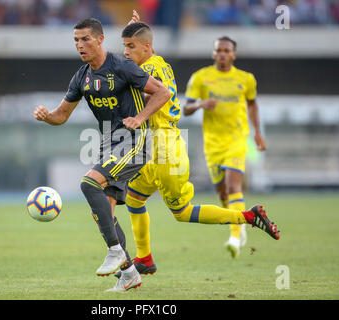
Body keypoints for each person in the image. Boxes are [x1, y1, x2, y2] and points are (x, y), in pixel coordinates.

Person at [115, 12, 279, 278]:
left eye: (131, 46)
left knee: (182, 212)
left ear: (147, 47)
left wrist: (138, 117)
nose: (125, 52)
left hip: (165, 149)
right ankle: (144, 257)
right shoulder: (156, 63)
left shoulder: (149, 69)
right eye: (124, 47)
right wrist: (135, 28)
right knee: (134, 199)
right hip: (150, 148)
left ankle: (248, 217)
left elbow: (160, 94)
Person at [33, 18, 171, 291]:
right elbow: (61, 115)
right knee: (103, 214)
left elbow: (162, 93)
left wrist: (139, 118)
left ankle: (114, 250)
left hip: (134, 141)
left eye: (85, 39)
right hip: (109, 145)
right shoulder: (81, 76)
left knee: (88, 182)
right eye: (76, 40)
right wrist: (47, 116)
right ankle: (129, 272)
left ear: (100, 39)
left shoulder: (122, 66)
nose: (80, 45)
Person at [183, 36, 267, 258]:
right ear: (213, 54)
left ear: (233, 55)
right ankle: (237, 221)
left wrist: (257, 132)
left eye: (226, 50)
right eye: (218, 50)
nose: (222, 53)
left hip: (237, 140)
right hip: (212, 143)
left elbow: (252, 105)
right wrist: (201, 104)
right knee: (222, 192)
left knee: (233, 185)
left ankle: (235, 237)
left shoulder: (245, 79)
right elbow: (186, 108)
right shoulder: (201, 77)